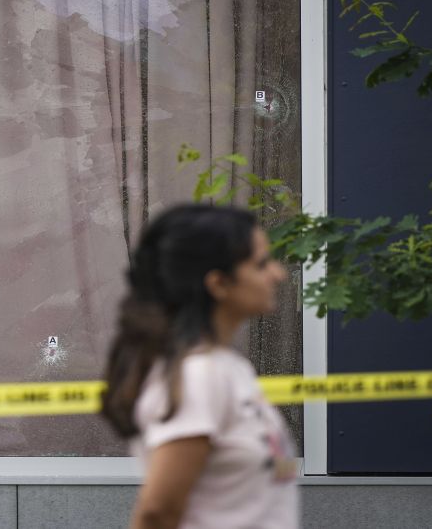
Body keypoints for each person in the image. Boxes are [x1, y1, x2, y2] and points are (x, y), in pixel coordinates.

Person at [101, 204, 298, 529]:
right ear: (218, 284)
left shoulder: (229, 369)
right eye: (261, 264)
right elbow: (158, 513)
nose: (279, 273)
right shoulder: (198, 378)